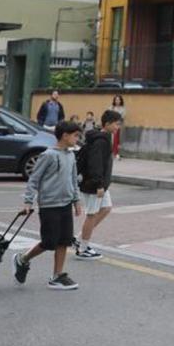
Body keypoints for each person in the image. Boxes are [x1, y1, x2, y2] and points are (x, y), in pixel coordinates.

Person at [13, 120, 83, 290]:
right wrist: (28, 201)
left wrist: (76, 200)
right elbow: (34, 179)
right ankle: (22, 259)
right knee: (49, 241)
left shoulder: (71, 155)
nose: (77, 139)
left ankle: (57, 276)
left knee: (64, 240)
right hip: (49, 205)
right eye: (75, 136)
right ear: (65, 136)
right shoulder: (48, 155)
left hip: (65, 203)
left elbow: (73, 179)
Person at [76, 110, 121, 260]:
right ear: (107, 123)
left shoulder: (104, 138)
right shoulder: (101, 141)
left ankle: (80, 239)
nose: (117, 127)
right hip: (95, 184)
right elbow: (96, 164)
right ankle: (82, 248)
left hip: (100, 183)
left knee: (106, 208)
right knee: (91, 214)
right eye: (116, 124)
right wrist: (99, 185)